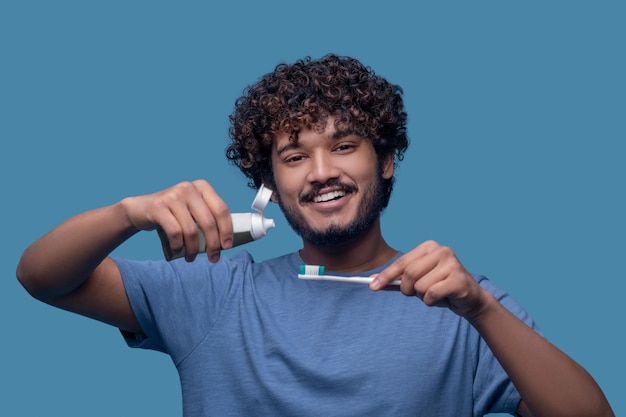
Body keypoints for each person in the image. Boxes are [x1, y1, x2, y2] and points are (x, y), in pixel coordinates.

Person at [17, 54, 613, 417]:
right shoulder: (214, 292)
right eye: (295, 155)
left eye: (345, 146)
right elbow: (41, 276)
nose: (322, 170)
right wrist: (129, 213)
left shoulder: (459, 301)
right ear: (269, 184)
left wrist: (481, 310)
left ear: (385, 162)